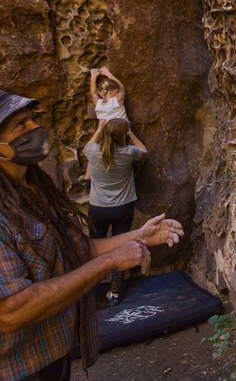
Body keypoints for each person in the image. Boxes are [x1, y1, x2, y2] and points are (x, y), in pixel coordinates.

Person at [0, 89, 183, 381]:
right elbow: (9, 312)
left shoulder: (35, 186)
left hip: (52, 353)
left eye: (32, 120)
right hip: (15, 368)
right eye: (20, 125)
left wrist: (139, 237)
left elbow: (75, 249)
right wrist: (110, 261)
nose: (35, 128)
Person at [83, 118, 148, 306]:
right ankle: (115, 292)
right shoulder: (128, 153)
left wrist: (100, 127)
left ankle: (90, 289)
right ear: (123, 136)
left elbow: (90, 144)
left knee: (94, 247)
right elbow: (145, 151)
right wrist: (131, 133)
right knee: (123, 247)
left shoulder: (92, 152)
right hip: (123, 207)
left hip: (98, 207)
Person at [85, 66, 128, 181]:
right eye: (116, 90)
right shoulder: (117, 100)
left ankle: (87, 178)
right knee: (120, 155)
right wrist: (108, 73)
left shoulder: (98, 104)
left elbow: (92, 92)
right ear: (113, 90)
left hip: (104, 133)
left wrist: (93, 76)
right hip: (119, 132)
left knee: (94, 155)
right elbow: (122, 87)